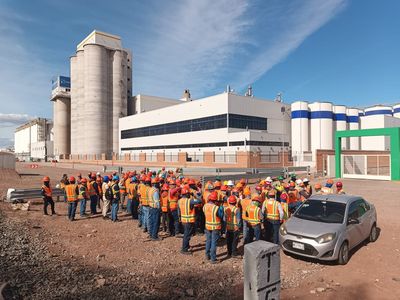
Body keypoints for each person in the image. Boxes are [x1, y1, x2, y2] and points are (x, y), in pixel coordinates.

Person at [178, 187, 202, 255]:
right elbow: (199, 201)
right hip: (189, 220)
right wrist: (195, 195)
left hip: (183, 220)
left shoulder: (179, 201)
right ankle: (184, 249)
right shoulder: (190, 201)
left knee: (186, 233)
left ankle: (186, 246)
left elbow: (179, 211)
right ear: (187, 193)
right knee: (187, 235)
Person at [204, 191, 224, 263]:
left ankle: (207, 255)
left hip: (207, 226)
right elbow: (221, 216)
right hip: (215, 227)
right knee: (214, 242)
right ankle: (213, 259)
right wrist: (221, 207)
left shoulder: (205, 206)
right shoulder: (216, 208)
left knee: (208, 240)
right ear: (215, 200)